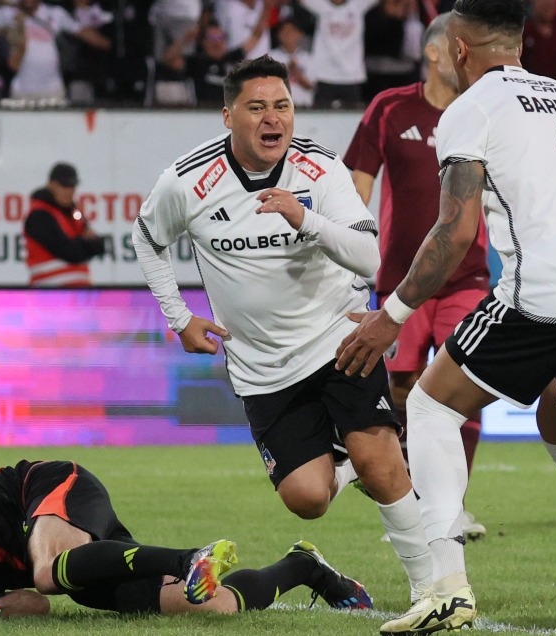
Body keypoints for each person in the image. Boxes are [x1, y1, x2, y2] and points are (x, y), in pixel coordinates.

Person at [335, 0, 556, 632]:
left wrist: (391, 313)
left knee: (430, 407)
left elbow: (454, 231)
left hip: (545, 292)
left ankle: (446, 589)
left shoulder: (472, 107)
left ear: (458, 49)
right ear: (518, 42)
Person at [133, 56, 435, 608]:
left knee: (380, 461)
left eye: (283, 106)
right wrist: (179, 317)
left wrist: (305, 220)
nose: (273, 118)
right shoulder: (187, 181)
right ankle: (345, 469)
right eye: (257, 108)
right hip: (263, 366)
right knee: (307, 498)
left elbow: (369, 256)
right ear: (229, 116)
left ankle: (431, 590)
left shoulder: (320, 168)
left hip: (339, 337)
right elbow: (147, 237)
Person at [0, 452, 371, 620]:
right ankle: (305, 567)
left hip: (44, 490)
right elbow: (35, 605)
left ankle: (189, 558)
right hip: (72, 557)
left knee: (48, 568)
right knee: (212, 608)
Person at [343, 12, 489, 542]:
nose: (468, 56)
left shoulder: (482, 112)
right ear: (433, 51)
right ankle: (414, 509)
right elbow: (356, 186)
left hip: (467, 278)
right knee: (402, 388)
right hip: (400, 281)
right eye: (460, 46)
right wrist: (348, 251)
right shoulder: (390, 107)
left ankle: (454, 508)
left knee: (463, 385)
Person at [24, 163, 107, 287]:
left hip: (78, 292)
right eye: (64, 186)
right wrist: (86, 244)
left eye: (72, 186)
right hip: (49, 292)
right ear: (51, 184)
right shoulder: (39, 215)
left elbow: (99, 245)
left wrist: (81, 245)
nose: (69, 191)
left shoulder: (74, 213)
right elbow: (68, 251)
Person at [300, 0, 380, 107]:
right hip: (325, 75)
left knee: (352, 116)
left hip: (351, 76)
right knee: (320, 115)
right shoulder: (321, 6)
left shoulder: (357, 5)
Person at [268, 19, 315, 107]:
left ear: (300, 34)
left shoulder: (308, 58)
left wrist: (297, 73)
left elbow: (312, 87)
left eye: (292, 31)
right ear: (278, 35)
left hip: (304, 106)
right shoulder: (270, 57)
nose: (288, 35)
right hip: (279, 107)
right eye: (285, 31)